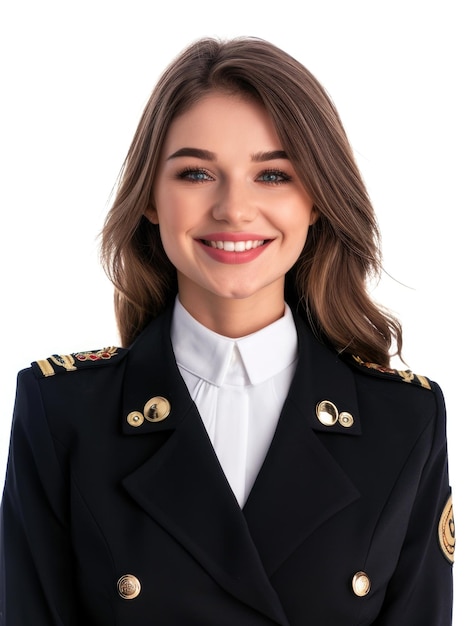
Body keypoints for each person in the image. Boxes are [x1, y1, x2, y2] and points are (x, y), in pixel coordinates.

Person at [0, 36, 454, 625]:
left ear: (315, 200)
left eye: (272, 176)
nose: (234, 210)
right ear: (151, 200)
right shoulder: (61, 411)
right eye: (195, 173)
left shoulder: (405, 421)